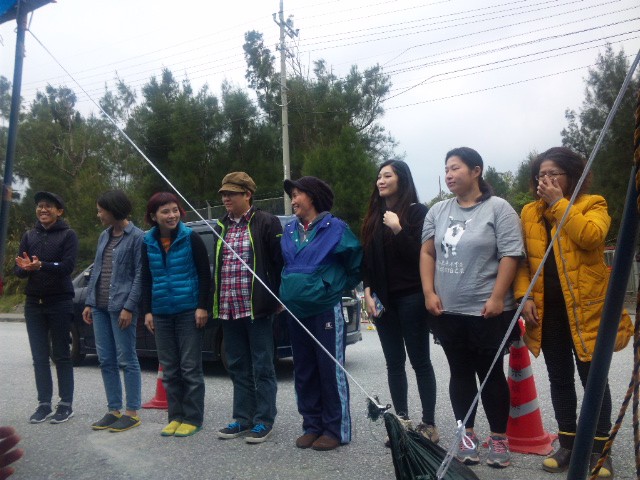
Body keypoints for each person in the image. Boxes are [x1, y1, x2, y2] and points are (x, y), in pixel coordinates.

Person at [514, 147, 633, 477]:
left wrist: (559, 203)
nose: (546, 180)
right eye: (541, 175)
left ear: (572, 176)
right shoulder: (529, 212)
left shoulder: (593, 204)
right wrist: (524, 296)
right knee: (559, 377)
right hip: (548, 310)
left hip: (586, 309)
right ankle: (567, 443)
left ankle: (599, 449)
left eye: (554, 174)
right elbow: (522, 262)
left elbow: (591, 237)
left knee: (593, 378)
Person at [419, 147, 524, 469]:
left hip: (487, 310)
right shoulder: (438, 211)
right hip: (448, 310)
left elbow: (511, 254)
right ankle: (466, 436)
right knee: (460, 373)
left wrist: (497, 297)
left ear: (476, 171)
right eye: (446, 169)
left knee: (490, 374)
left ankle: (499, 438)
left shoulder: (499, 208)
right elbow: (428, 253)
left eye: (456, 168)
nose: (449, 175)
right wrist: (429, 292)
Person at [280, 176, 362, 451]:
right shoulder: (289, 229)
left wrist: (334, 287)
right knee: (303, 370)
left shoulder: (336, 228)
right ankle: (312, 425)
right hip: (296, 310)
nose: (293, 200)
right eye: (292, 195)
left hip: (325, 308)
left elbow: (355, 263)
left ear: (312, 196)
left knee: (329, 369)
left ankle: (334, 429)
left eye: (297, 195)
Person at [361, 160, 438, 446]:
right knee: (394, 363)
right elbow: (367, 261)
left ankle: (429, 424)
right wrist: (367, 292)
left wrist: (398, 228)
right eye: (379, 176)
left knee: (420, 361)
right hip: (383, 302)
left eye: (387, 175)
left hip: (412, 297)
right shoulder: (374, 216)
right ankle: (402, 423)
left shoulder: (417, 213)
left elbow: (422, 256)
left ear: (401, 179)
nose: (380, 180)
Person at [213, 172, 283, 444]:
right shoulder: (221, 226)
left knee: (262, 365)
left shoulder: (266, 221)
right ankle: (242, 418)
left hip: (257, 308)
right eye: (223, 194)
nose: (226, 198)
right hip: (228, 308)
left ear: (247, 195)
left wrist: (279, 297)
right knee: (237, 365)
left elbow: (279, 263)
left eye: (231, 193)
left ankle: (264, 420)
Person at [141, 192, 211, 437]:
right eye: (165, 211)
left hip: (188, 311)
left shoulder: (191, 237)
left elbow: (205, 274)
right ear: (153, 216)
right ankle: (175, 416)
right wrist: (147, 311)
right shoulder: (147, 242)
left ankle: (192, 418)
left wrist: (202, 306)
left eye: (174, 210)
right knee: (170, 369)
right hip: (161, 313)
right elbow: (146, 278)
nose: (171, 215)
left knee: (190, 368)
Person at [82, 190, 144, 432]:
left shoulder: (138, 237)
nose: (98, 215)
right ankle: (113, 410)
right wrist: (89, 302)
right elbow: (97, 270)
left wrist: (129, 307)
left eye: (101, 211)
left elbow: (140, 276)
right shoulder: (104, 236)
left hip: (121, 308)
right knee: (106, 360)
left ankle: (132, 412)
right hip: (99, 306)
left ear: (113, 210)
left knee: (127, 359)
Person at [15, 191, 78, 424]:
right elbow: (19, 270)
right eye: (40, 206)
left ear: (59, 211)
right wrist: (24, 268)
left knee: (61, 354)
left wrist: (41, 265)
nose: (43, 210)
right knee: (39, 357)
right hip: (34, 303)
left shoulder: (68, 235)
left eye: (48, 206)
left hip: (60, 302)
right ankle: (43, 403)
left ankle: (65, 404)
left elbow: (67, 267)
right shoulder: (29, 235)